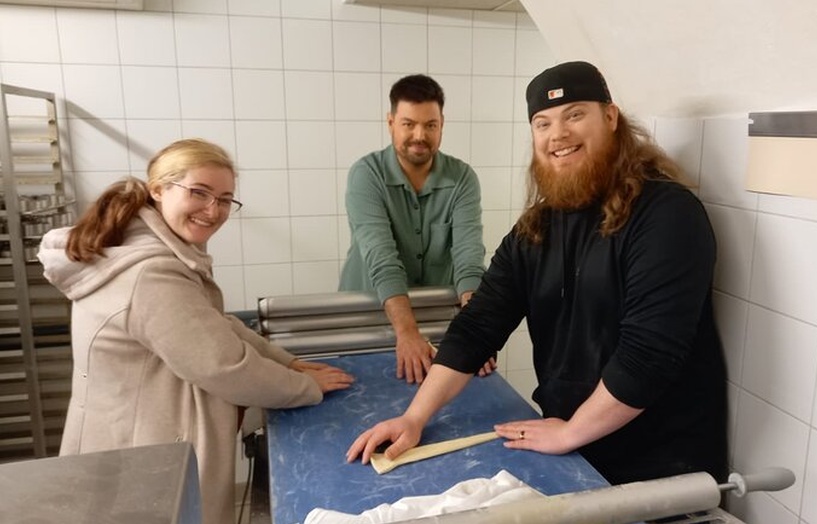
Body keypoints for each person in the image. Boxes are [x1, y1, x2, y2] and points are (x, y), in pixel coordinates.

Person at [346, 61, 728, 485]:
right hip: (575, 455)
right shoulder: (538, 226)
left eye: (574, 115)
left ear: (611, 117)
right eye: (542, 123)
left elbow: (648, 356)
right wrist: (414, 417)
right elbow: (477, 326)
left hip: (661, 467)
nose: (558, 135)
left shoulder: (666, 214)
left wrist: (571, 431)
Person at [38, 138, 354, 524]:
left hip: (128, 441)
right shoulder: (152, 274)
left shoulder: (151, 247)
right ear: (158, 189)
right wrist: (306, 388)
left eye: (224, 199)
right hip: (142, 457)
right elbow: (224, 366)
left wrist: (290, 363)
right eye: (199, 193)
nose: (213, 210)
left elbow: (214, 325)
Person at [339, 74, 493, 384]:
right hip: (368, 316)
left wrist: (477, 330)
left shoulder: (463, 178)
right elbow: (382, 257)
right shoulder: (366, 175)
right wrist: (407, 333)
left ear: (442, 124)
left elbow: (468, 255)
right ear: (391, 122)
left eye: (430, 125)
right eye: (409, 124)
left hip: (437, 320)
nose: (419, 135)